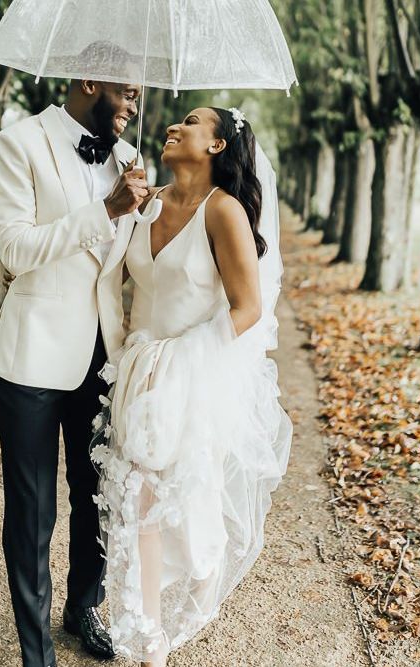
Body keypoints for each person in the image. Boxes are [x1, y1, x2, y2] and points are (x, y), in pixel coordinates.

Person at [89, 107, 293, 666]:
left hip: (191, 373)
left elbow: (248, 308)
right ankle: (148, 633)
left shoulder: (223, 211)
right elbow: (118, 274)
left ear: (218, 147)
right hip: (136, 371)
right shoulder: (147, 204)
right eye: (176, 119)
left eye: (193, 122)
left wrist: (184, 360)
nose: (174, 127)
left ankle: (192, 579)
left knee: (168, 500)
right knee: (137, 500)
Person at [0, 75, 149, 667]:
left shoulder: (128, 159)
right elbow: (15, 251)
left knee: (96, 492)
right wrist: (106, 209)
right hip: (34, 352)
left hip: (104, 347)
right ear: (90, 81)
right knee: (32, 509)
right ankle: (37, 652)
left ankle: (84, 606)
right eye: (129, 93)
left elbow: (119, 264)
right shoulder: (17, 143)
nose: (135, 107)